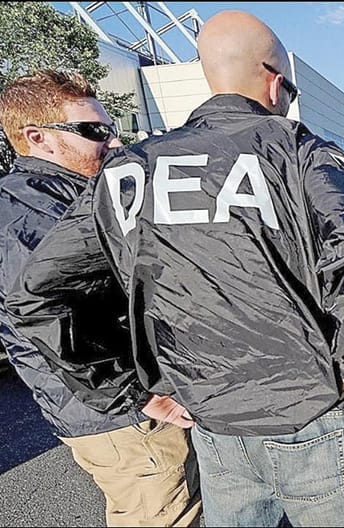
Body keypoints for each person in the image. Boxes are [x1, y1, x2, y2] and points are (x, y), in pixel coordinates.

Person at [8, 10, 344, 527]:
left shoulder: (129, 171)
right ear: (274, 82)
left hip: (209, 415)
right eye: (290, 90)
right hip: (306, 406)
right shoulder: (295, 149)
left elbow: (37, 293)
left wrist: (128, 390)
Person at [0, 70, 201, 527]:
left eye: (111, 128)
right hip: (122, 415)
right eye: (94, 131)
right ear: (37, 137)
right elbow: (43, 314)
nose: (113, 141)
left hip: (122, 406)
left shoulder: (73, 196)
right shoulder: (26, 215)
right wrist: (135, 395)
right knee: (163, 515)